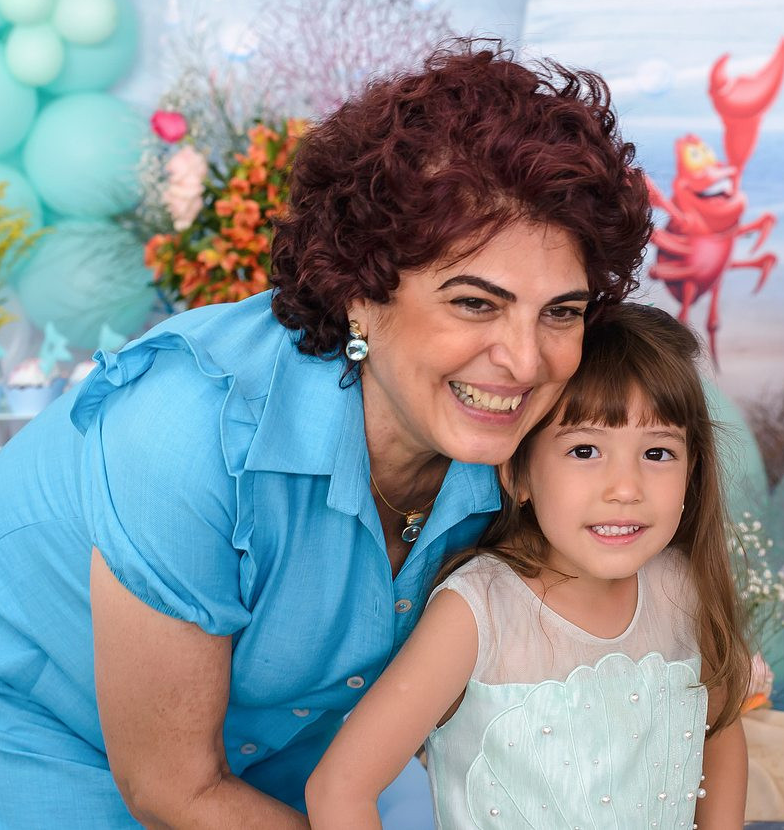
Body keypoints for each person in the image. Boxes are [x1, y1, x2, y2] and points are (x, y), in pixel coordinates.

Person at [0, 40, 652, 828]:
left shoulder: (544, 431)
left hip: (267, 722)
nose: (525, 360)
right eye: (474, 303)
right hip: (30, 693)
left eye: (560, 311)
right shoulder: (187, 428)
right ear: (361, 292)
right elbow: (175, 788)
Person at [306, 303, 752, 828]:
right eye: (585, 450)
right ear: (517, 474)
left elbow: (719, 730)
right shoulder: (477, 614)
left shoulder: (680, 589)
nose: (626, 489)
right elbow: (340, 788)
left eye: (657, 454)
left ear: (692, 470)